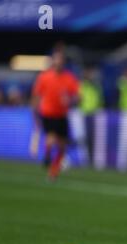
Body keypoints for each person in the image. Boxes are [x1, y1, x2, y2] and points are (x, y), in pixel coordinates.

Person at [31, 49, 79, 180]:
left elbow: (78, 97)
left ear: (63, 62)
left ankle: (53, 170)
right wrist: (35, 112)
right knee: (51, 138)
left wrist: (70, 100)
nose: (59, 62)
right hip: (48, 113)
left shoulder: (69, 78)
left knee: (62, 147)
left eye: (61, 60)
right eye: (57, 59)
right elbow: (37, 95)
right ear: (53, 61)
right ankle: (47, 155)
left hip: (62, 115)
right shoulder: (45, 77)